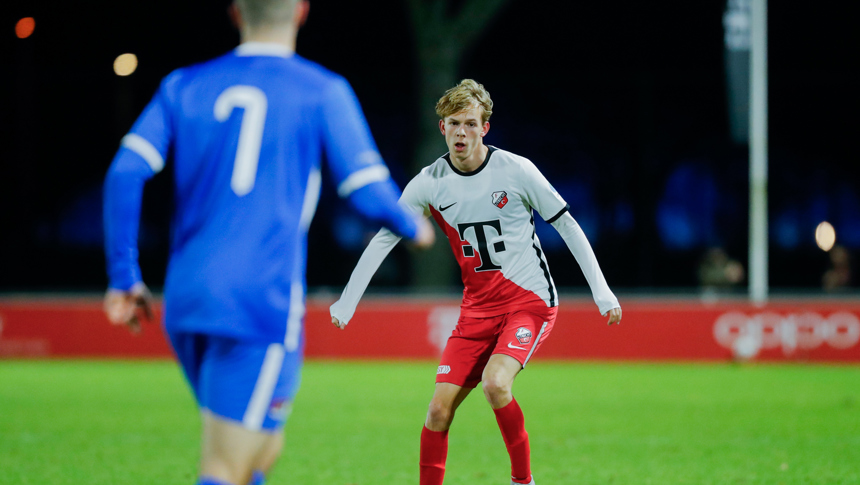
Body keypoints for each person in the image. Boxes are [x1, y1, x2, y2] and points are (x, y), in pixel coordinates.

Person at [102, 1, 434, 484]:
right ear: (301, 12)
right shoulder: (321, 89)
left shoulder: (183, 85)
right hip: (258, 302)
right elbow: (365, 188)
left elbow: (126, 171)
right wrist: (415, 227)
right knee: (226, 464)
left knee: (261, 450)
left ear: (235, 13)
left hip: (188, 298)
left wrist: (123, 276)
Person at [330, 79, 621, 485]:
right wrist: (347, 301)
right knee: (437, 411)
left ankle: (523, 481)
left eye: (470, 123)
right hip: (477, 309)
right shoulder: (429, 183)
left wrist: (601, 291)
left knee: (495, 383)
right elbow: (385, 238)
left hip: (529, 300)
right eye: (453, 124)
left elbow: (567, 225)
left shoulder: (516, 170)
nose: (461, 133)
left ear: (485, 127)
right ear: (442, 128)